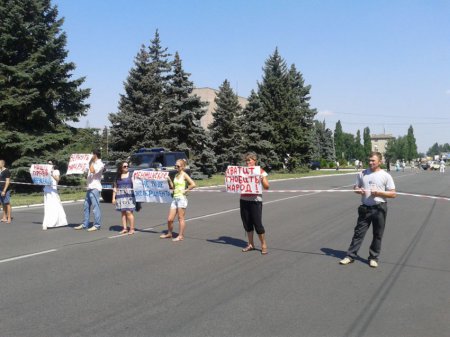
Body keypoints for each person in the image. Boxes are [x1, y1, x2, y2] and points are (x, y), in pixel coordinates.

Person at [340, 152, 396, 268]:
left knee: (377, 234)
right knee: (358, 233)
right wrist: (358, 190)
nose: (370, 162)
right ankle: (350, 256)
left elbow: (393, 193)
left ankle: (373, 257)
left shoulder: (385, 176)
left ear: (379, 162)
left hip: (379, 208)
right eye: (369, 160)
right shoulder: (362, 174)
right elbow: (355, 187)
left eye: (373, 161)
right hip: (365, 208)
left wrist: (380, 193)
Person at [240, 152, 270, 255]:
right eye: (246, 160)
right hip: (244, 200)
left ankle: (263, 245)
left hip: (255, 201)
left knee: (258, 224)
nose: (248, 162)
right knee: (247, 224)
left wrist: (262, 179)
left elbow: (267, 187)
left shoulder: (260, 171)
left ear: (254, 161)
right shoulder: (242, 172)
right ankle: (251, 244)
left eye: (250, 160)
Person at [160, 159, 196, 242]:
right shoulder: (176, 175)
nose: (176, 167)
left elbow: (193, 184)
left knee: (180, 218)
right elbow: (173, 187)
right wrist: (169, 180)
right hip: (175, 198)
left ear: (182, 167)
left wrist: (186, 190)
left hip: (181, 199)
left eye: (178, 166)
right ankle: (169, 233)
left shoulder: (184, 175)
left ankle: (180, 236)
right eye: (175, 166)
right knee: (170, 219)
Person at [74, 149, 104, 231]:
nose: (90, 156)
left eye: (91, 154)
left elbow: (93, 171)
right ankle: (85, 224)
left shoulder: (100, 164)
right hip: (89, 187)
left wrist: (90, 162)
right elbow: (87, 172)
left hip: (95, 188)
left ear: (95, 155)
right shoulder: (92, 163)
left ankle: (97, 225)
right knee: (86, 206)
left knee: (95, 207)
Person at [112, 161, 136, 234]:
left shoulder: (131, 175)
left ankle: (132, 229)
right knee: (123, 212)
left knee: (129, 212)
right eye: (124, 166)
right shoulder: (118, 176)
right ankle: (125, 228)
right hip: (120, 196)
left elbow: (135, 185)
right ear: (121, 168)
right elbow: (115, 187)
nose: (126, 167)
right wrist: (113, 198)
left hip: (129, 196)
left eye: (127, 166)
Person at [42, 161, 68, 230]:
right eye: (48, 164)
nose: (49, 165)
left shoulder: (56, 171)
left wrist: (51, 174)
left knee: (55, 205)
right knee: (48, 207)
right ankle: (48, 222)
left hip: (53, 191)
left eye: (50, 164)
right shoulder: (45, 172)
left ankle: (58, 222)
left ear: (53, 165)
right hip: (47, 190)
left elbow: (58, 179)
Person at [0, 159, 12, 223]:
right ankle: (4, 217)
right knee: (2, 203)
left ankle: (9, 218)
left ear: (3, 164)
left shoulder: (7, 171)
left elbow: (7, 182)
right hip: (0, 189)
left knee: (7, 203)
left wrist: (4, 191)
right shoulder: (0, 171)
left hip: (5, 190)